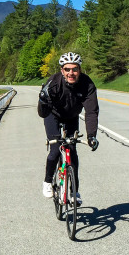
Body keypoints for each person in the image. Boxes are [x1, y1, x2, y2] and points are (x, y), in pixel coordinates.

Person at [38, 52, 99, 205]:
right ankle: (47, 182)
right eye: (67, 69)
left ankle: (74, 191)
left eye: (75, 69)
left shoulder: (87, 84)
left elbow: (91, 112)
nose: (71, 73)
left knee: (71, 150)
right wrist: (42, 100)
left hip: (72, 116)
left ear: (80, 69)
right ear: (62, 70)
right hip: (52, 114)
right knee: (55, 148)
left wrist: (92, 135)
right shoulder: (53, 83)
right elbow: (42, 113)